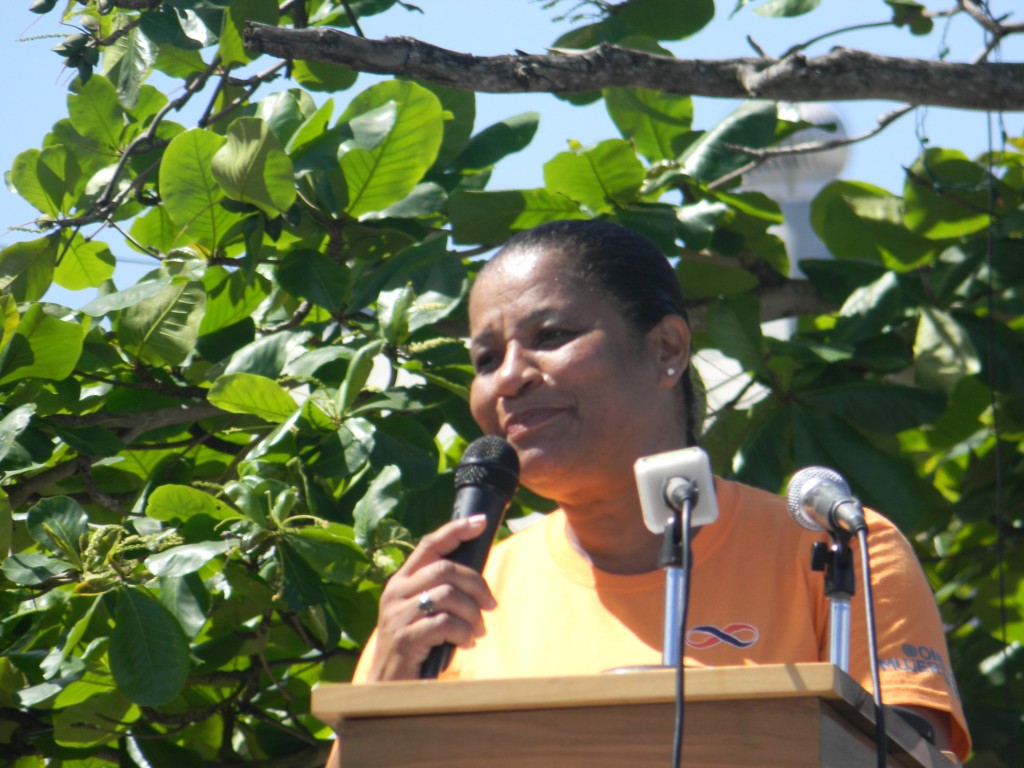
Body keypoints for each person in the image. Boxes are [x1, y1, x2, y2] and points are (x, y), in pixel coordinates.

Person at [331, 219, 970, 764]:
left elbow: (908, 754)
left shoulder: (837, 550)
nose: (509, 378)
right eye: (486, 359)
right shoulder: (450, 603)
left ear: (667, 348)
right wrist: (387, 682)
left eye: (550, 336)